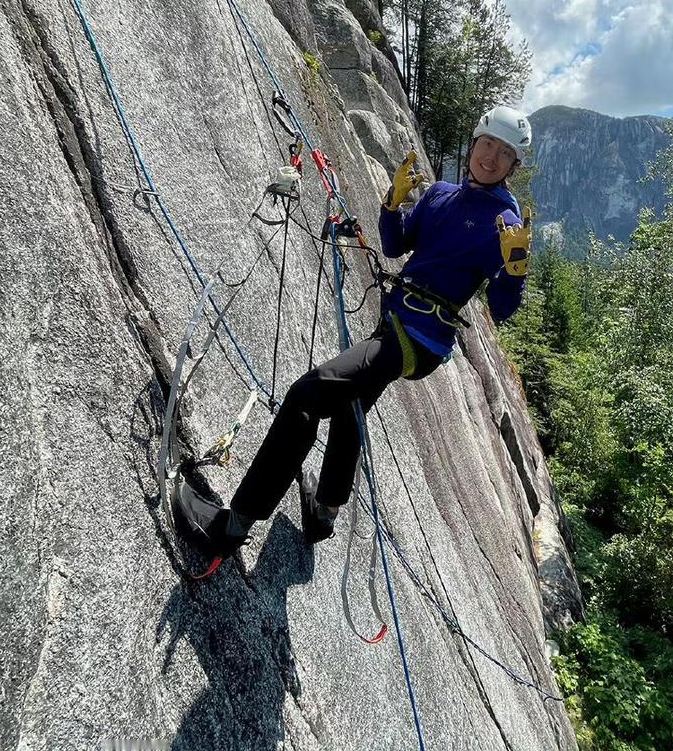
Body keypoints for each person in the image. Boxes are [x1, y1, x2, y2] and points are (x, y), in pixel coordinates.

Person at [210, 104, 534, 554]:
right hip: (396, 321)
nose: (490, 157)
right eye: (486, 144)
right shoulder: (441, 194)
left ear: (513, 167)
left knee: (309, 393)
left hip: (417, 342)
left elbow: (501, 308)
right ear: (474, 144)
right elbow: (395, 243)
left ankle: (235, 523)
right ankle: (324, 514)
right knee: (349, 408)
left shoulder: (506, 222)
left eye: (504, 153)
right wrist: (391, 203)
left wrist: (514, 268)